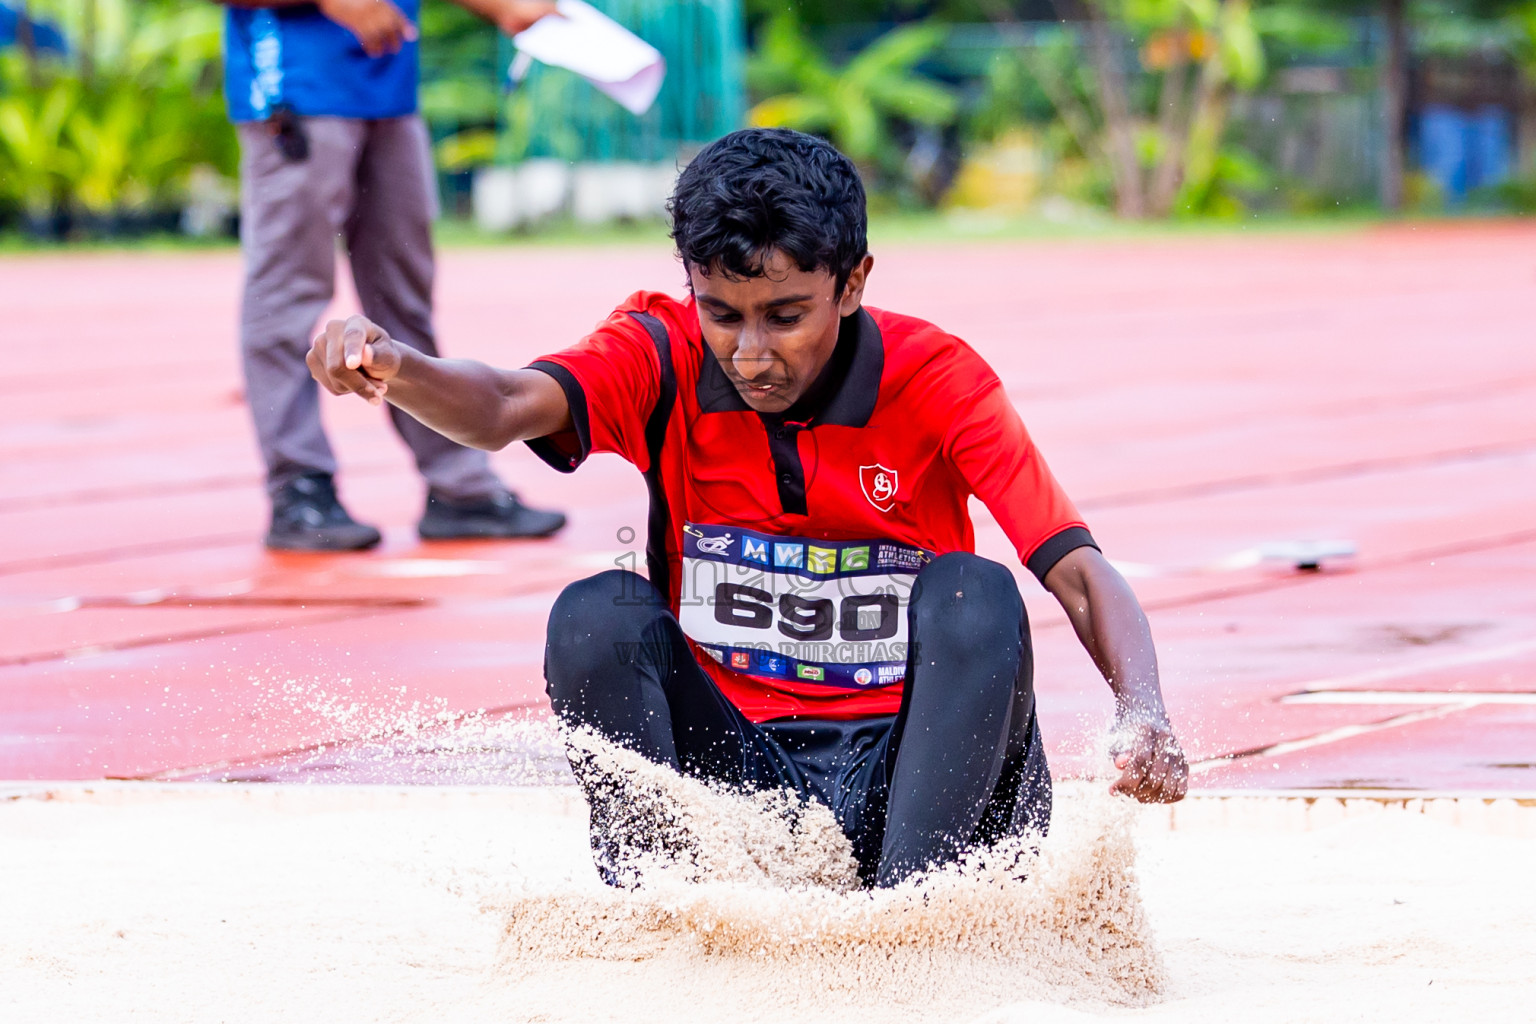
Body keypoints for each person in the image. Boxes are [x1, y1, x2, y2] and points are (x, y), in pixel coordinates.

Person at [307, 128, 1189, 887]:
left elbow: (1074, 569)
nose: (752, 352)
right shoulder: (659, 349)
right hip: (742, 784)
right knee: (596, 613)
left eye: (786, 315)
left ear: (852, 284)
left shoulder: (936, 378)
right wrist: (399, 369)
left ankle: (918, 929)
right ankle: (672, 911)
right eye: (723, 313)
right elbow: (502, 406)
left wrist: (1142, 707)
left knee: (976, 592)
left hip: (922, 783)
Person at [219, 0, 566, 549]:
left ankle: (458, 489)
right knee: (286, 297)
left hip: (389, 92)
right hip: (295, 91)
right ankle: (299, 489)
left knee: (405, 301)